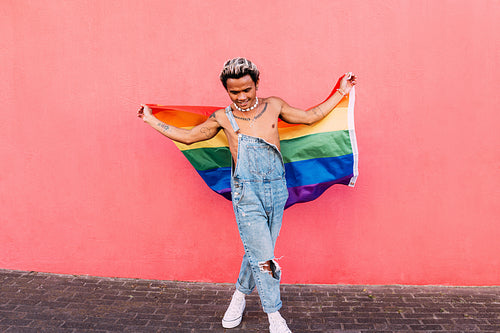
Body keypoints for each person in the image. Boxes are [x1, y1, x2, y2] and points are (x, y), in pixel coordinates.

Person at [138, 58, 356, 333]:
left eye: (246, 90)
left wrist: (341, 92)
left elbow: (310, 116)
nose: (241, 97)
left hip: (277, 190)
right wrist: (151, 120)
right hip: (247, 194)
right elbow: (189, 137)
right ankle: (274, 315)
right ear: (226, 90)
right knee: (265, 257)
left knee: (256, 252)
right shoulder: (222, 118)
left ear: (256, 85)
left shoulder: (274, 106)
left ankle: (239, 296)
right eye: (234, 92)